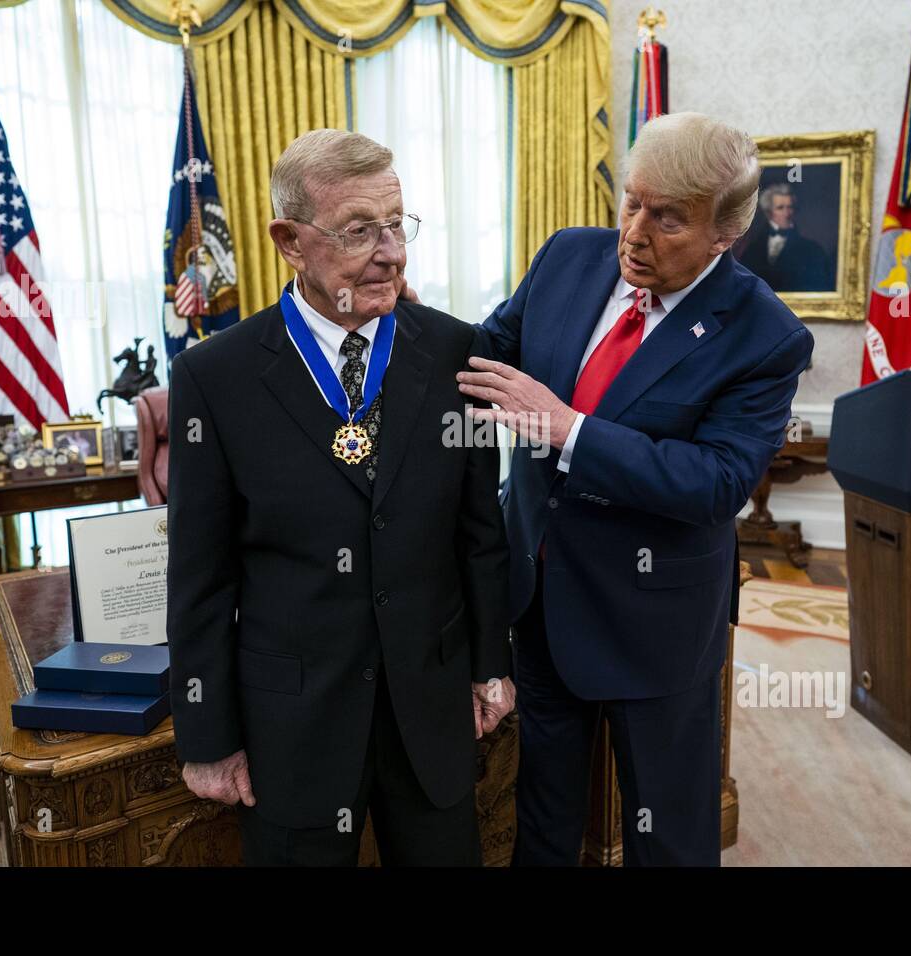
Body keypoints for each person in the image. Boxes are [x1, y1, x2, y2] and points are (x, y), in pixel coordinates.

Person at [457, 112, 814, 866]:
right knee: (545, 815)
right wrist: (401, 318)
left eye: (668, 219)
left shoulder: (766, 334)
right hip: (543, 600)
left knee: (669, 831)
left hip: (655, 626)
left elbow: (716, 482)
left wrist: (569, 430)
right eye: (631, 202)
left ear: (726, 233)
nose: (634, 233)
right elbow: (485, 353)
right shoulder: (567, 259)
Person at [166, 129, 514, 866]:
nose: (392, 252)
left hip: (432, 705)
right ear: (290, 240)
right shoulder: (215, 377)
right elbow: (201, 576)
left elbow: (480, 533)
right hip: (292, 722)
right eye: (360, 230)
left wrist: (490, 662)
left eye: (397, 223)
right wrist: (206, 734)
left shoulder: (457, 352)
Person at [738, 182, 833, 291]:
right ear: (768, 213)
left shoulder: (813, 250)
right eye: (780, 208)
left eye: (790, 207)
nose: (787, 213)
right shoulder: (752, 250)